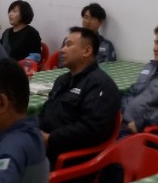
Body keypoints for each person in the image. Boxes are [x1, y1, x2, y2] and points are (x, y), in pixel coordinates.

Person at [39, 27, 121, 168]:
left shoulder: (100, 85)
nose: (62, 50)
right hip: (44, 148)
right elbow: (47, 112)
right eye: (64, 45)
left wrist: (50, 139)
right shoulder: (62, 80)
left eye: (69, 45)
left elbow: (91, 130)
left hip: (71, 159)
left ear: (87, 51)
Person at [58, 3, 117, 67]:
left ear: (100, 22)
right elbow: (62, 66)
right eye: (86, 17)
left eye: (93, 18)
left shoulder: (106, 45)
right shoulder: (69, 41)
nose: (88, 21)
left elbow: (110, 69)